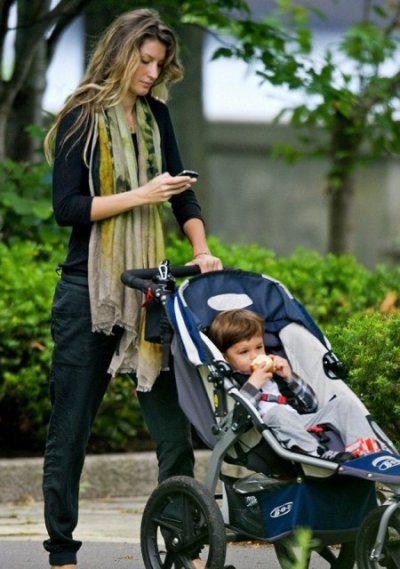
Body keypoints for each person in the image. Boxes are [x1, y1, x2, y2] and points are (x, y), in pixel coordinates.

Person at [42, 9, 222, 568]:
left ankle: (184, 546)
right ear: (120, 53)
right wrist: (142, 194)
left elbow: (182, 195)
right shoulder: (80, 117)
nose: (151, 72)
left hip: (150, 289)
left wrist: (200, 250)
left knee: (172, 430)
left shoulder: (156, 116)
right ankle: (62, 553)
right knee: (71, 429)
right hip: (87, 290)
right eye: (144, 61)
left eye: (159, 64)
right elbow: (67, 209)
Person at [208, 308, 387, 463]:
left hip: (302, 422)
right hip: (268, 433)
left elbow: (311, 405)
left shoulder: (275, 374)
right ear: (226, 358)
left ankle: (366, 450)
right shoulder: (233, 380)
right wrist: (254, 383)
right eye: (244, 352)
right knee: (277, 413)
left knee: (344, 403)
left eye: (259, 347)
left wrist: (289, 378)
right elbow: (239, 418)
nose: (254, 356)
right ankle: (315, 454)